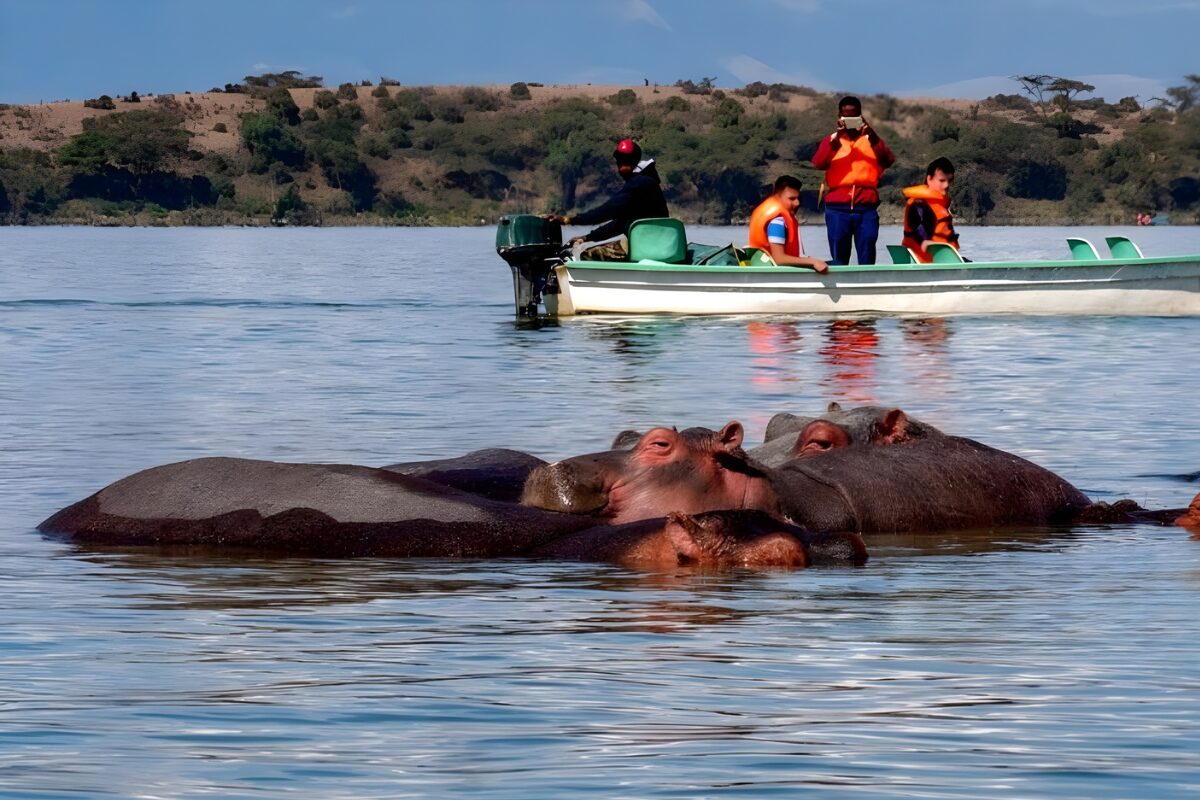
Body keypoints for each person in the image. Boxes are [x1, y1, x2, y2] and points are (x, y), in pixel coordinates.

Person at [545, 139, 669, 255]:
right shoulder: (647, 182)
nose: (619, 168)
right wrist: (587, 238)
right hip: (658, 244)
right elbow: (620, 223)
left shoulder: (639, 183)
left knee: (588, 255)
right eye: (619, 162)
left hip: (647, 246)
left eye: (622, 162)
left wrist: (570, 220)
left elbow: (606, 211)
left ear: (632, 162)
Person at [811, 96, 895, 265]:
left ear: (861, 116)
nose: (849, 120)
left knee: (867, 258)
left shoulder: (871, 140)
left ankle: (866, 288)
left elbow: (888, 160)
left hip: (866, 209)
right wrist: (837, 138)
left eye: (854, 116)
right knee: (838, 260)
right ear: (839, 116)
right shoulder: (832, 140)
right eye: (845, 116)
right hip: (837, 209)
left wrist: (871, 134)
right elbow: (819, 163)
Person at [747, 175, 829, 273]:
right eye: (791, 199)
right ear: (777, 196)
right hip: (774, 272)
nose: (797, 203)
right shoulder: (777, 221)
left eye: (798, 198)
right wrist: (812, 261)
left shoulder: (768, 210)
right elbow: (779, 259)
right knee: (836, 263)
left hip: (763, 267)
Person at [900, 157, 960, 263]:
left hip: (944, 260)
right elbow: (918, 227)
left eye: (949, 181)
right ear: (929, 179)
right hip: (928, 262)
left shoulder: (939, 204)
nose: (946, 185)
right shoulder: (919, 203)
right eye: (942, 180)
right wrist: (924, 241)